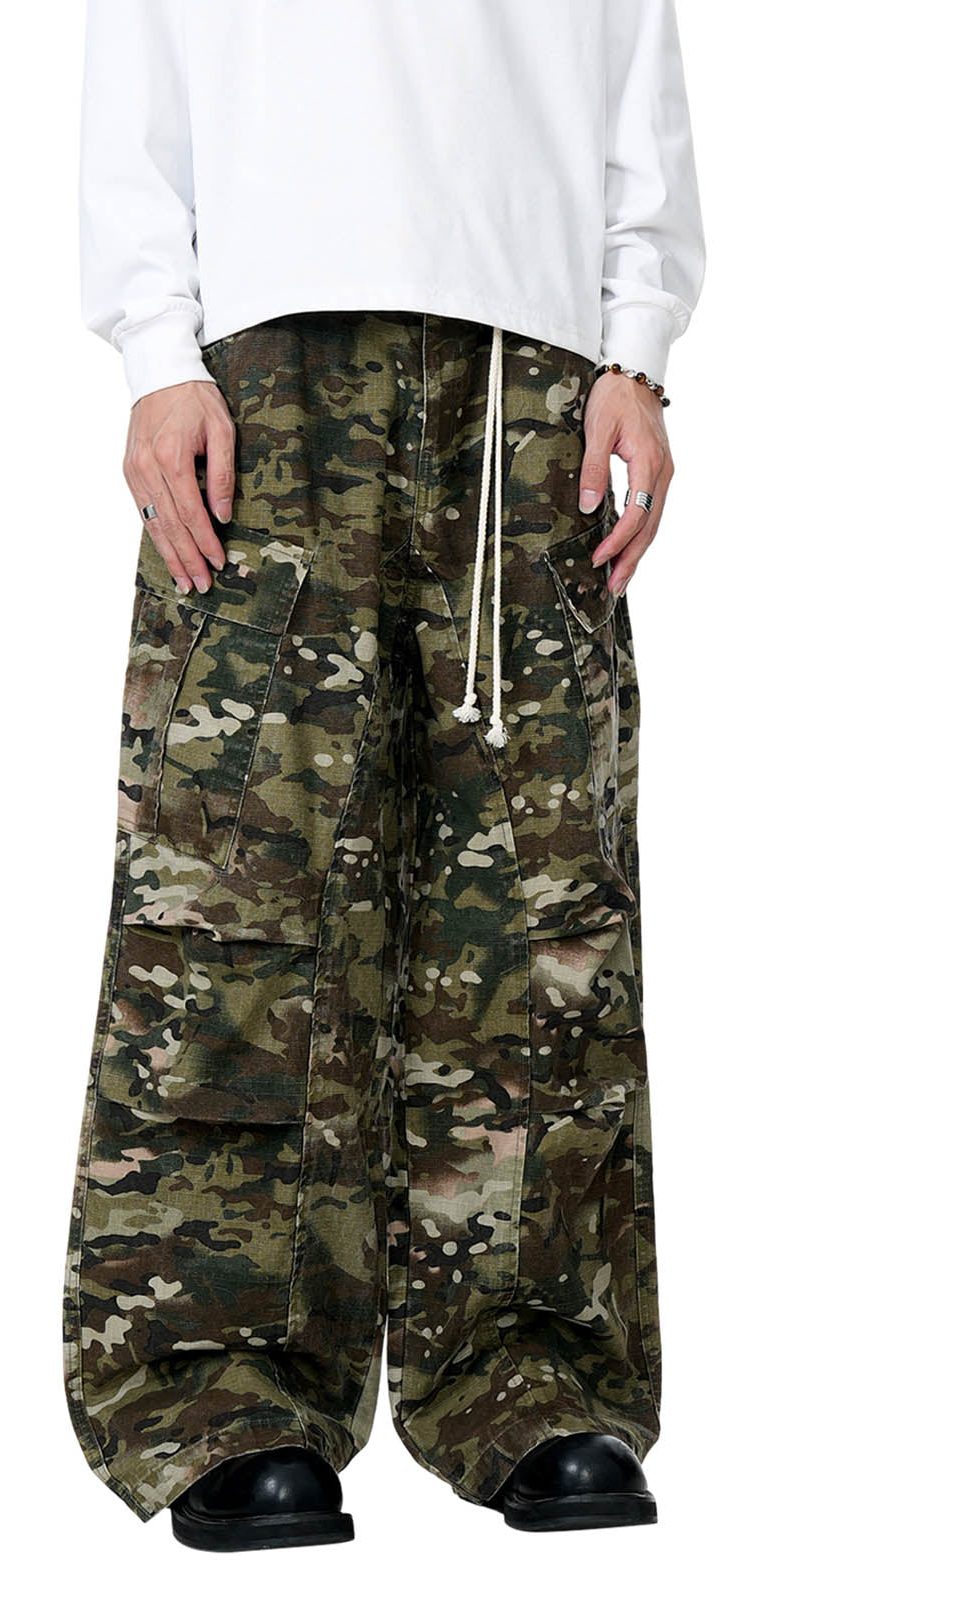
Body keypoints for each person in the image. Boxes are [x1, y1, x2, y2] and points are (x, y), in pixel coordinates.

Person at [65, 0, 705, 1551]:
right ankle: (221, 1389)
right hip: (264, 363)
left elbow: (634, 54)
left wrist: (638, 345)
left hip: (531, 367)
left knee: (535, 895)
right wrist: (157, 348)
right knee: (239, 886)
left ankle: (530, 1370)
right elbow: (140, 62)